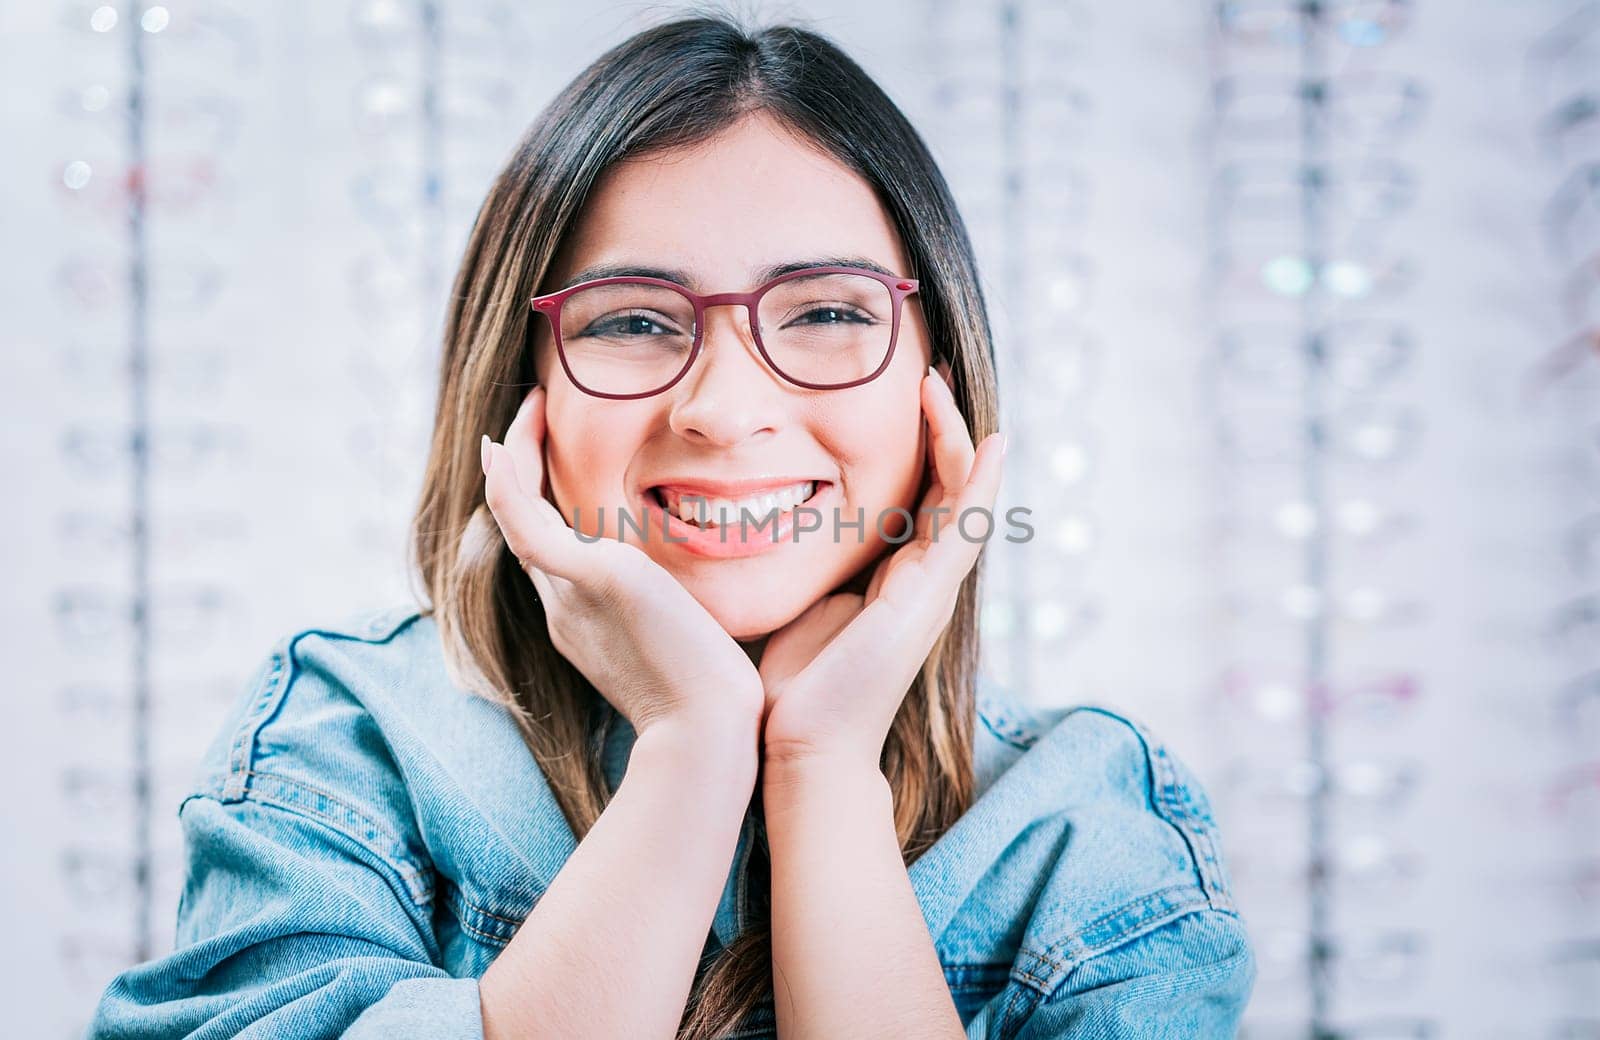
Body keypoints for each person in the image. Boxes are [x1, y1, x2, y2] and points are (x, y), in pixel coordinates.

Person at [87, 14, 1254, 1040]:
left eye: (830, 311)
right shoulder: (353, 742)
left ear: (936, 381)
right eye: (635, 321)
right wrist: (692, 747)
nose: (724, 410)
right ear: (519, 381)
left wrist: (822, 768)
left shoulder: (1087, 830)